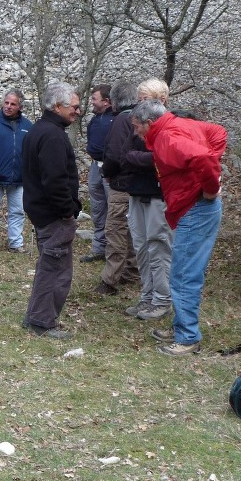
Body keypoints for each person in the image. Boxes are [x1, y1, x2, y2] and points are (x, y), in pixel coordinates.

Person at [132, 99, 227, 355]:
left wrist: (209, 188)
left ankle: (187, 337)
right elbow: (218, 133)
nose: (135, 132)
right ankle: (181, 326)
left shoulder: (166, 139)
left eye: (137, 126)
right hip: (192, 207)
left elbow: (205, 157)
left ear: (150, 123)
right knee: (183, 270)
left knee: (184, 274)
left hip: (196, 209)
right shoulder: (178, 124)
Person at [21, 82, 82, 340]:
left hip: (43, 211)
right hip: (53, 214)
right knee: (56, 269)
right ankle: (42, 321)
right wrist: (68, 211)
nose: (78, 112)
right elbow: (55, 181)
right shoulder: (52, 136)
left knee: (51, 264)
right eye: (74, 107)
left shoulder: (40, 130)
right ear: (57, 106)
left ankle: (37, 315)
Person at [121, 78, 174, 321]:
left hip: (158, 196)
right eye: (139, 98)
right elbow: (123, 155)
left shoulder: (172, 127)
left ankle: (162, 300)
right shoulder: (138, 124)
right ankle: (147, 296)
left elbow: (161, 159)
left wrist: (138, 159)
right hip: (137, 192)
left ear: (161, 101)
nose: (139, 103)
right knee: (142, 246)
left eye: (145, 98)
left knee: (158, 245)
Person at [97, 79, 141, 296]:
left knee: (115, 231)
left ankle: (110, 280)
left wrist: (107, 172)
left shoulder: (120, 121)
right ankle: (132, 271)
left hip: (121, 186)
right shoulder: (141, 119)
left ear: (114, 101)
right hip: (138, 186)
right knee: (133, 232)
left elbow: (114, 155)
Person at [0, 89, 32, 255]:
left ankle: (15, 243)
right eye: (6, 103)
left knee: (17, 211)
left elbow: (31, 151)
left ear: (20, 106)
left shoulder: (27, 126)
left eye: (13, 104)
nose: (8, 107)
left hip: (19, 178)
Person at [82, 84, 114, 263]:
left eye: (94, 98)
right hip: (95, 167)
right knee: (97, 208)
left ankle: (114, 249)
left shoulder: (116, 120)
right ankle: (99, 247)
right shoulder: (95, 120)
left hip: (110, 169)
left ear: (106, 102)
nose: (91, 102)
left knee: (114, 209)